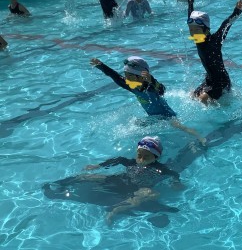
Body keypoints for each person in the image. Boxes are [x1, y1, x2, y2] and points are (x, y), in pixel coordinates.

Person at [44, 137, 181, 225]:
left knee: (151, 193)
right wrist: (97, 166)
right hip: (120, 180)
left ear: (156, 157)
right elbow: (118, 160)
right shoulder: (132, 162)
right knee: (87, 176)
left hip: (139, 188)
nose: (141, 159)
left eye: (146, 157)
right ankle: (61, 183)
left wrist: (176, 182)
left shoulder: (159, 168)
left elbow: (174, 174)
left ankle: (116, 210)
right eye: (139, 155)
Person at [90, 56, 204, 142]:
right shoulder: (132, 86)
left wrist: (152, 80)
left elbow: (162, 90)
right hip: (154, 118)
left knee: (181, 127)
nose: (126, 79)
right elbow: (116, 77)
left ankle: (198, 136)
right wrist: (101, 66)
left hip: (168, 117)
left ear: (140, 77)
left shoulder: (150, 88)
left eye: (129, 76)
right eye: (126, 75)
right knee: (134, 126)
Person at [186, 0, 242, 104]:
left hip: (221, 82)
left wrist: (237, 11)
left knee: (202, 99)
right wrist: (190, 0)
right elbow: (190, 15)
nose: (193, 33)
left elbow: (226, 25)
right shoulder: (198, 39)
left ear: (206, 29)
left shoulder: (215, 41)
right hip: (209, 80)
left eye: (196, 30)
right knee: (191, 96)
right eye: (191, 30)